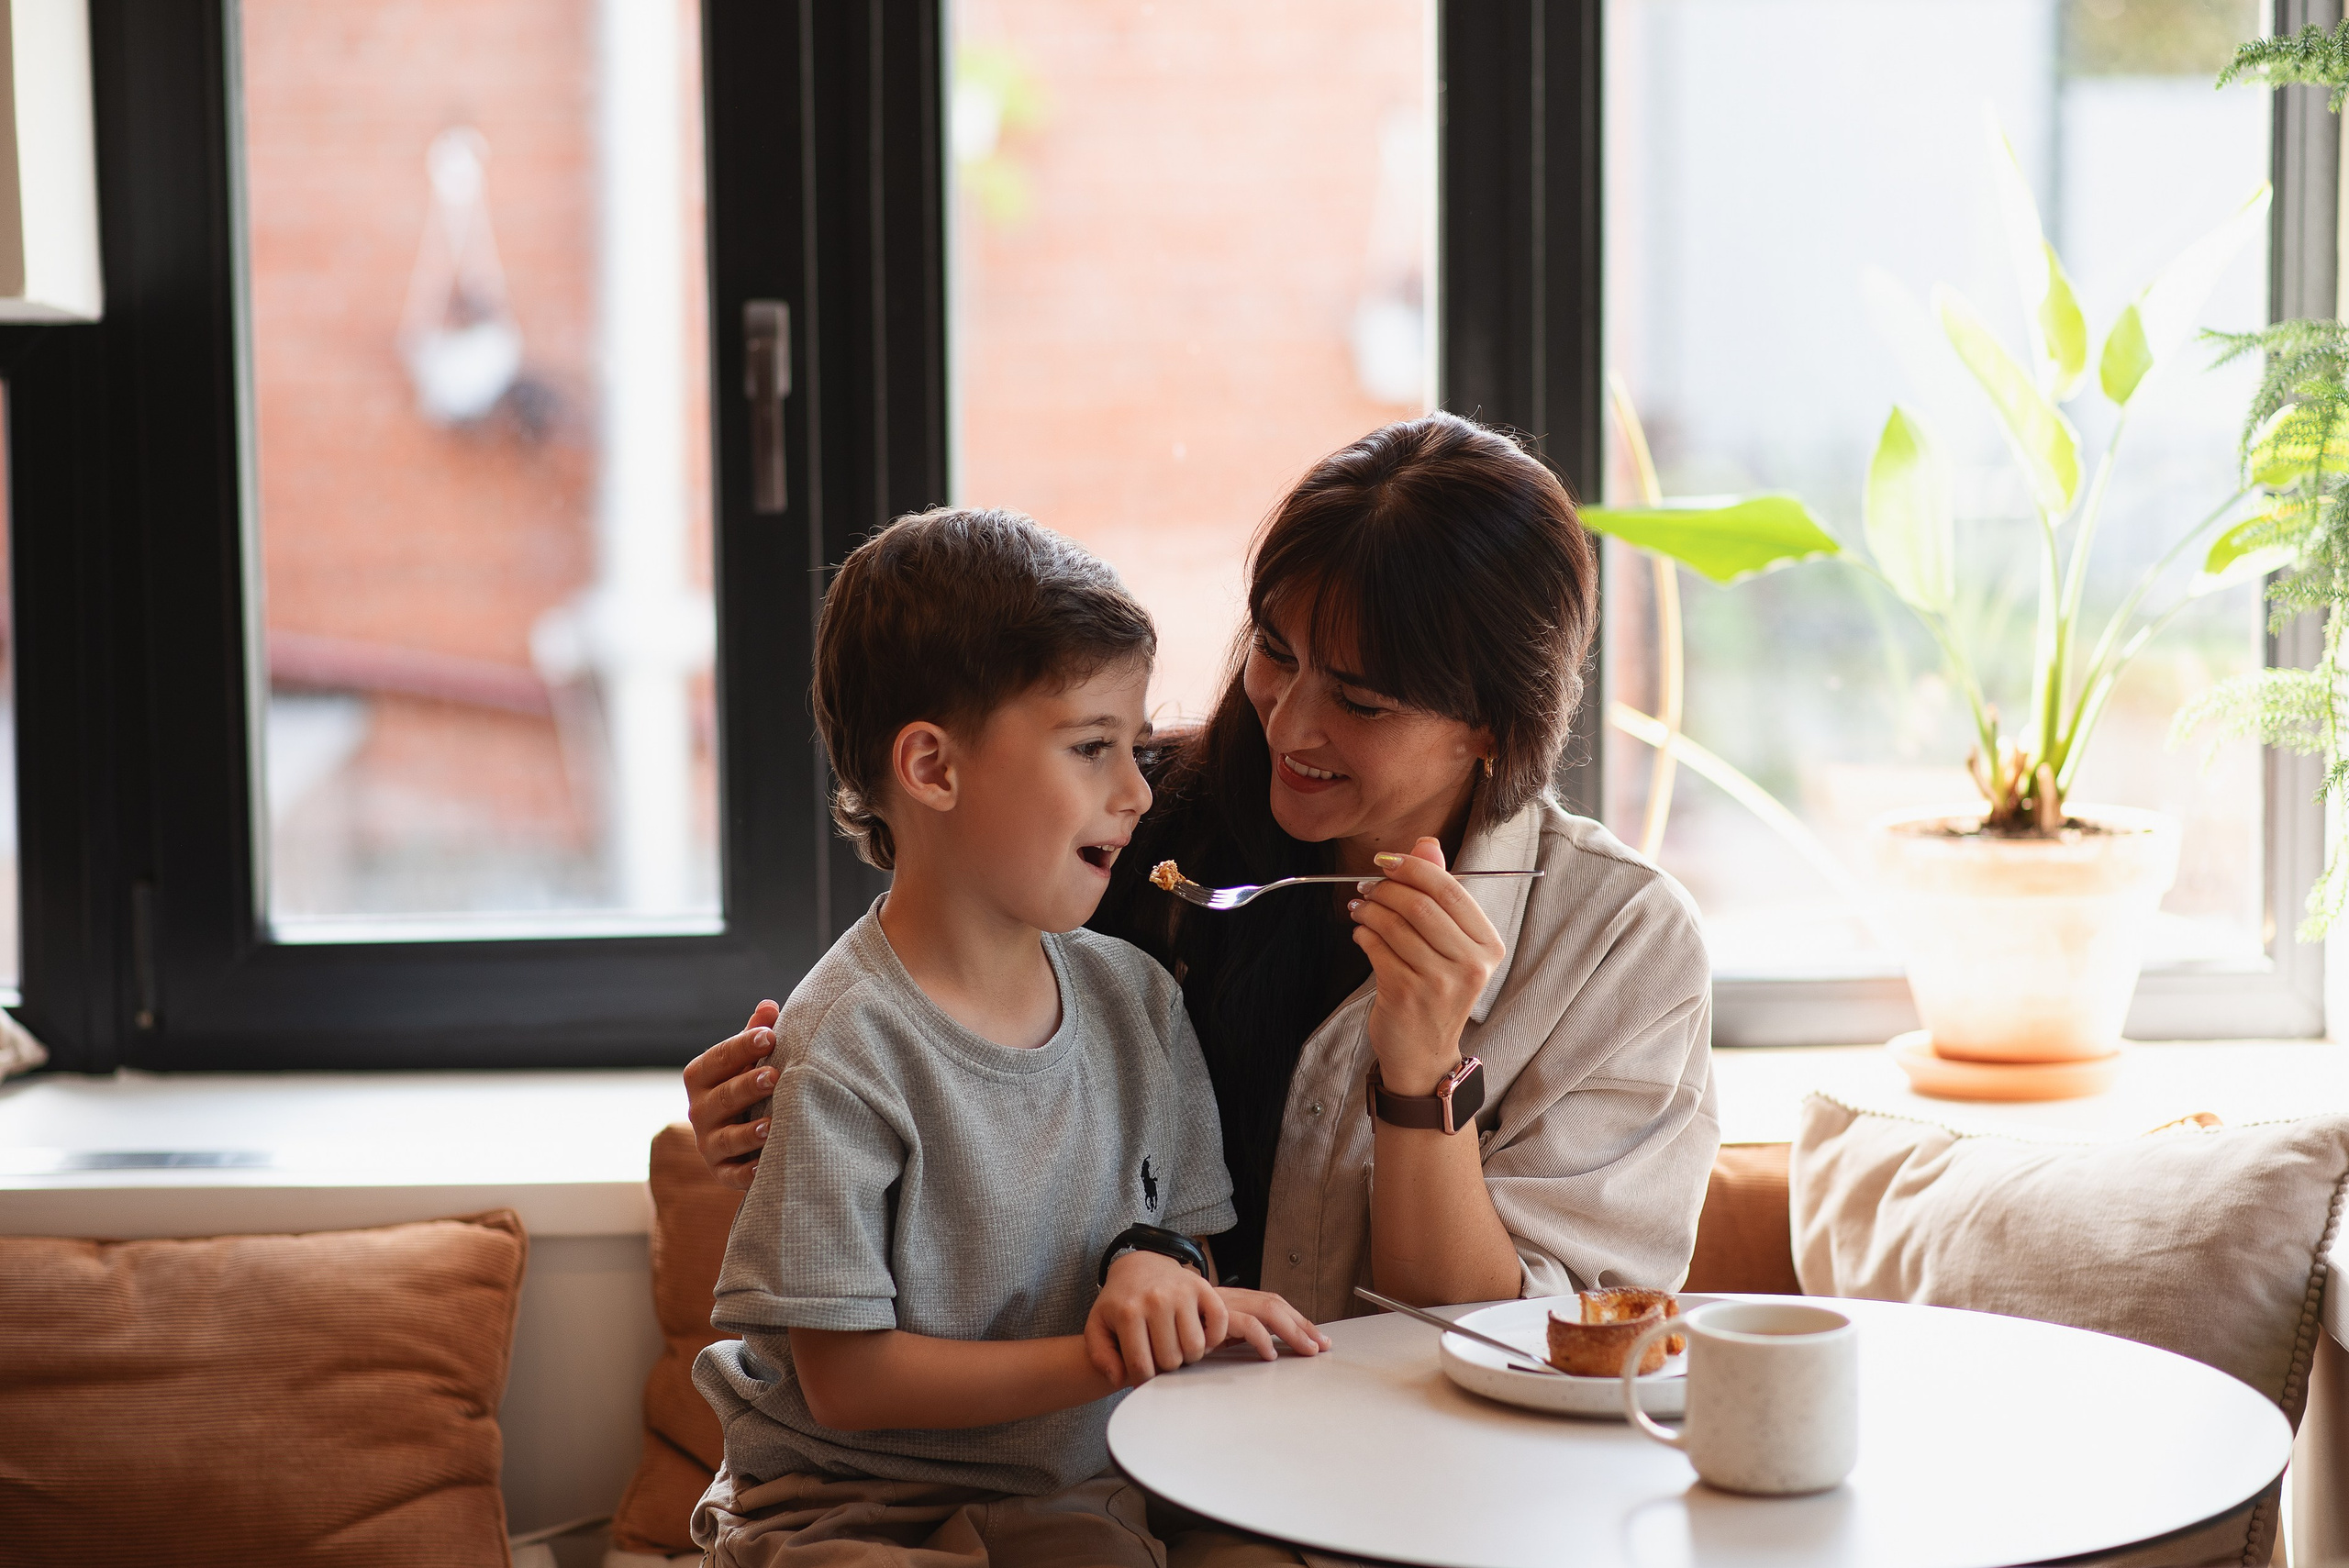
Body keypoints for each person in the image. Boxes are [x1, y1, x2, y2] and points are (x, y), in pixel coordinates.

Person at [689, 410, 1719, 1329]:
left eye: (1362, 702)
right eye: (1275, 650)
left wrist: (1420, 1074)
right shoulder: (1126, 820)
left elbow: (1522, 1341)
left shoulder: (1619, 944)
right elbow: (933, 1022)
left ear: (1493, 726)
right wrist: (777, 1109)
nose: (1291, 720)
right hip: (1132, 1460)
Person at [689, 507, 1326, 1568]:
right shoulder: (845, 1040)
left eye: (1133, 745)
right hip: (842, 1509)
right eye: (1091, 748)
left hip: (1070, 1500)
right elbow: (849, 1385)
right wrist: (1103, 1352)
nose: (1136, 790)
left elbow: (1186, 1236)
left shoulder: (1137, 1002)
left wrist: (1153, 1270)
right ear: (932, 769)